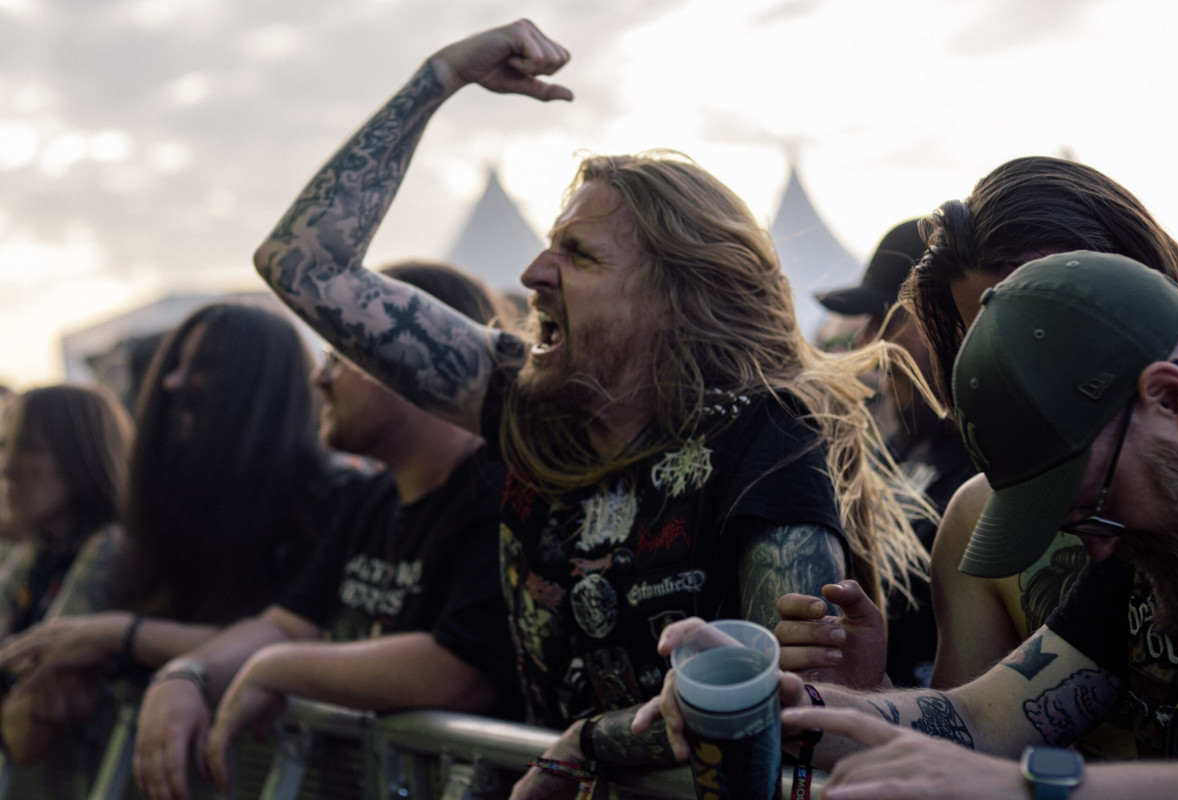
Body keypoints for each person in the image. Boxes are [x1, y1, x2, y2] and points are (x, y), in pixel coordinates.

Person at [251, 17, 928, 791]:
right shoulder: (532, 406)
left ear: (676, 299)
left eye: (577, 255)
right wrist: (438, 76)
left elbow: (788, 711)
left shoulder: (764, 437)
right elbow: (300, 264)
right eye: (550, 244)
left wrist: (588, 743)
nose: (535, 271)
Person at [638, 251, 1178, 798]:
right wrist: (767, 700)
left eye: (1096, 504)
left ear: (1172, 401)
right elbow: (984, 716)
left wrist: (1030, 787)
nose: (1098, 550)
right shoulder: (1149, 552)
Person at [125, 261, 522, 800]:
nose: (319, 377)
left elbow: (460, 672)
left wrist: (275, 670)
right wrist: (187, 675)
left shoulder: (501, 491)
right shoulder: (370, 499)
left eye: (340, 354)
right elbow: (284, 625)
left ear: (415, 359)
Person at [0, 303, 346, 762]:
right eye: (175, 364)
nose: (172, 383)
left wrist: (119, 636)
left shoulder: (333, 502)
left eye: (203, 368)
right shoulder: (171, 518)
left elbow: (293, 645)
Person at [815, 218, 976, 687]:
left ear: (957, 317)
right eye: (867, 323)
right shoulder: (899, 446)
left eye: (891, 319)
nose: (868, 342)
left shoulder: (998, 469)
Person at [0, 384, 132, 762]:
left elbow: (25, 733)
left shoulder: (114, 547)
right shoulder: (37, 553)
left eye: (30, 447)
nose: (6, 466)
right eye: (4, 445)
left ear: (83, 454)